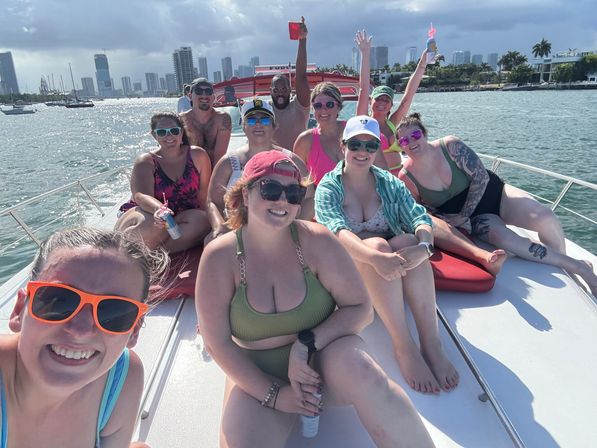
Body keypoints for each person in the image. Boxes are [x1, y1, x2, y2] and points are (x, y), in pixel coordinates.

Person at [196, 151, 435, 448]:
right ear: (246, 194)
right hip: (259, 373)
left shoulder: (318, 241)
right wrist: (276, 395)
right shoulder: (220, 257)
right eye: (270, 189)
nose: (282, 201)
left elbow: (361, 309)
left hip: (325, 357)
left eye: (293, 193)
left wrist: (305, 344)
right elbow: (216, 342)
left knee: (367, 375)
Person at [316, 116, 459, 394]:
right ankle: (403, 346)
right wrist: (373, 257)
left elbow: (419, 217)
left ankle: (431, 342)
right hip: (347, 269)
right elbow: (337, 232)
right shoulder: (329, 186)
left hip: (387, 272)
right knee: (378, 246)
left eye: (370, 146)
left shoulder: (388, 183)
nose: (363, 152)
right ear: (343, 145)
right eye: (356, 144)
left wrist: (425, 247)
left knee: (408, 240)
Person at [397, 113, 597, 295]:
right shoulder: (407, 177)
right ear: (400, 146)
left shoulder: (450, 146)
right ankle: (580, 267)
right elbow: (421, 211)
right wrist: (451, 220)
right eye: (404, 140)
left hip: (497, 195)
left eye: (415, 135)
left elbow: (481, 178)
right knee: (509, 241)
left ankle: (565, 268)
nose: (411, 143)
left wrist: (462, 215)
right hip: (478, 220)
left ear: (424, 133)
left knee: (546, 218)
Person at [2, 227, 168, 447]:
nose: (81, 330)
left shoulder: (122, 376)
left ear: (134, 331)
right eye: (59, 301)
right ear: (19, 309)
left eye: (113, 312)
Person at [206, 99, 314, 242]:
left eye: (264, 120)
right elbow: (212, 202)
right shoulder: (228, 163)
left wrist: (291, 226)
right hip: (238, 231)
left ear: (274, 126)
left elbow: (310, 198)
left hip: (282, 230)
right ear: (243, 126)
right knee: (210, 242)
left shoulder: (292, 161)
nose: (258, 124)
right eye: (251, 120)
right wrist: (219, 227)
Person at [116, 111, 211, 253]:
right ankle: (127, 253)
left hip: (181, 218)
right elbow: (140, 195)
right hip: (148, 213)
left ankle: (152, 253)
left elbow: (204, 194)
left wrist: (210, 225)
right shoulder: (146, 161)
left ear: (181, 132)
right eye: (162, 132)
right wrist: (160, 211)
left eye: (174, 131)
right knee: (152, 225)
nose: (169, 136)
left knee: (203, 220)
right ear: (154, 135)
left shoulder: (198, 155)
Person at [356, 30, 428, 176]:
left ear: (390, 105)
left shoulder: (393, 123)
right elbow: (364, 89)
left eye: (386, 100)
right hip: (375, 180)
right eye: (379, 98)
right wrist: (365, 53)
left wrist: (422, 65)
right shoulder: (363, 122)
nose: (382, 103)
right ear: (370, 101)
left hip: (399, 178)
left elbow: (408, 95)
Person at [294, 82, 387, 186]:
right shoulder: (304, 141)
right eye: (318, 106)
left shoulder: (357, 130)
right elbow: (298, 180)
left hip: (362, 199)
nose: (323, 109)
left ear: (338, 107)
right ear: (313, 109)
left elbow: (383, 172)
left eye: (329, 105)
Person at [270, 17, 311, 151]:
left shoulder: (300, 106)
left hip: (298, 166)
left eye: (284, 89)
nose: (280, 92)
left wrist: (302, 40)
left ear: (291, 90)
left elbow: (301, 77)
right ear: (270, 91)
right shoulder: (266, 110)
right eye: (276, 90)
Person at [181, 78, 232, 166]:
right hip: (189, 172)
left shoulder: (222, 119)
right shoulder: (181, 120)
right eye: (199, 91)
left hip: (215, 170)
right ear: (190, 96)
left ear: (213, 97)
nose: (204, 95)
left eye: (208, 92)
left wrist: (214, 179)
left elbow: (219, 157)